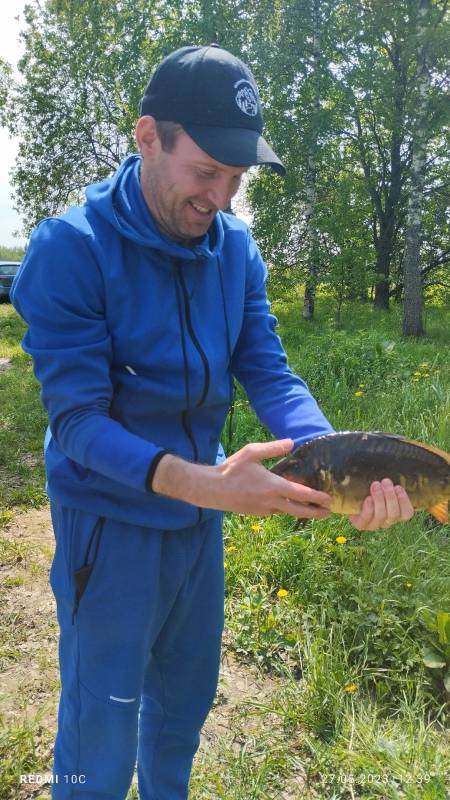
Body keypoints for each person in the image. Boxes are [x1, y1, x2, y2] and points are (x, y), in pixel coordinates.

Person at [11, 44, 414, 800]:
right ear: (147, 138)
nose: (222, 200)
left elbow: (267, 368)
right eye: (206, 173)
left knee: (181, 709)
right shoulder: (71, 249)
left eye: (237, 179)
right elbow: (76, 423)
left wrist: (340, 464)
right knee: (100, 722)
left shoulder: (235, 250)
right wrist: (202, 485)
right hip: (110, 518)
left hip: (204, 520)